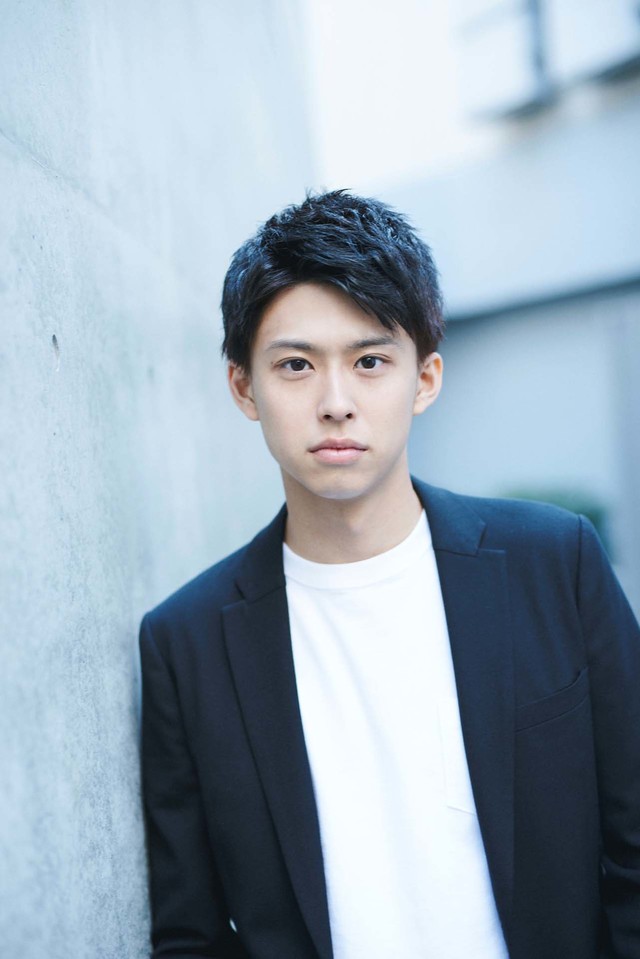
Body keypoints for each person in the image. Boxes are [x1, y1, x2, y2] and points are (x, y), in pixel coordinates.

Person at [138, 190, 640, 959]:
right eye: (296, 365)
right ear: (243, 386)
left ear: (425, 378)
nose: (336, 403)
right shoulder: (186, 642)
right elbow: (189, 932)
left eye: (370, 361)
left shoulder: (554, 562)